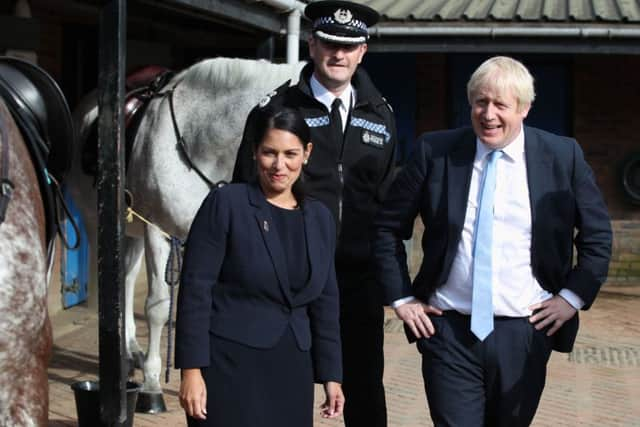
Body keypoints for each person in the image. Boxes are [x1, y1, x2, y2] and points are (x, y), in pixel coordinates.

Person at [373, 56, 612, 427]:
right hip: (447, 329)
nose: (488, 114)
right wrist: (402, 298)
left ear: (525, 108)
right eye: (480, 102)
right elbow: (387, 227)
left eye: (501, 105)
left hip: (525, 331)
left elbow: (597, 235)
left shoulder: (563, 157)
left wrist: (571, 297)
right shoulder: (435, 152)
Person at [233, 1, 397, 426]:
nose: (338, 55)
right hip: (289, 279)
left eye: (349, 46)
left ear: (363, 51)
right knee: (281, 392)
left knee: (363, 391)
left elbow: (388, 206)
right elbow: (244, 199)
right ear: (312, 44)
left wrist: (390, 276)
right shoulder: (276, 112)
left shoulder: (382, 116)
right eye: (328, 44)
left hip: (358, 283)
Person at [175, 107, 344, 427]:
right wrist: (191, 370)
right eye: (269, 153)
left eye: (290, 154)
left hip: (293, 367)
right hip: (228, 367)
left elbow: (326, 301)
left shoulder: (320, 217)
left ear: (307, 153)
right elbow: (196, 288)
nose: (280, 165)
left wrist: (331, 375)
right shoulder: (227, 204)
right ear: (254, 152)